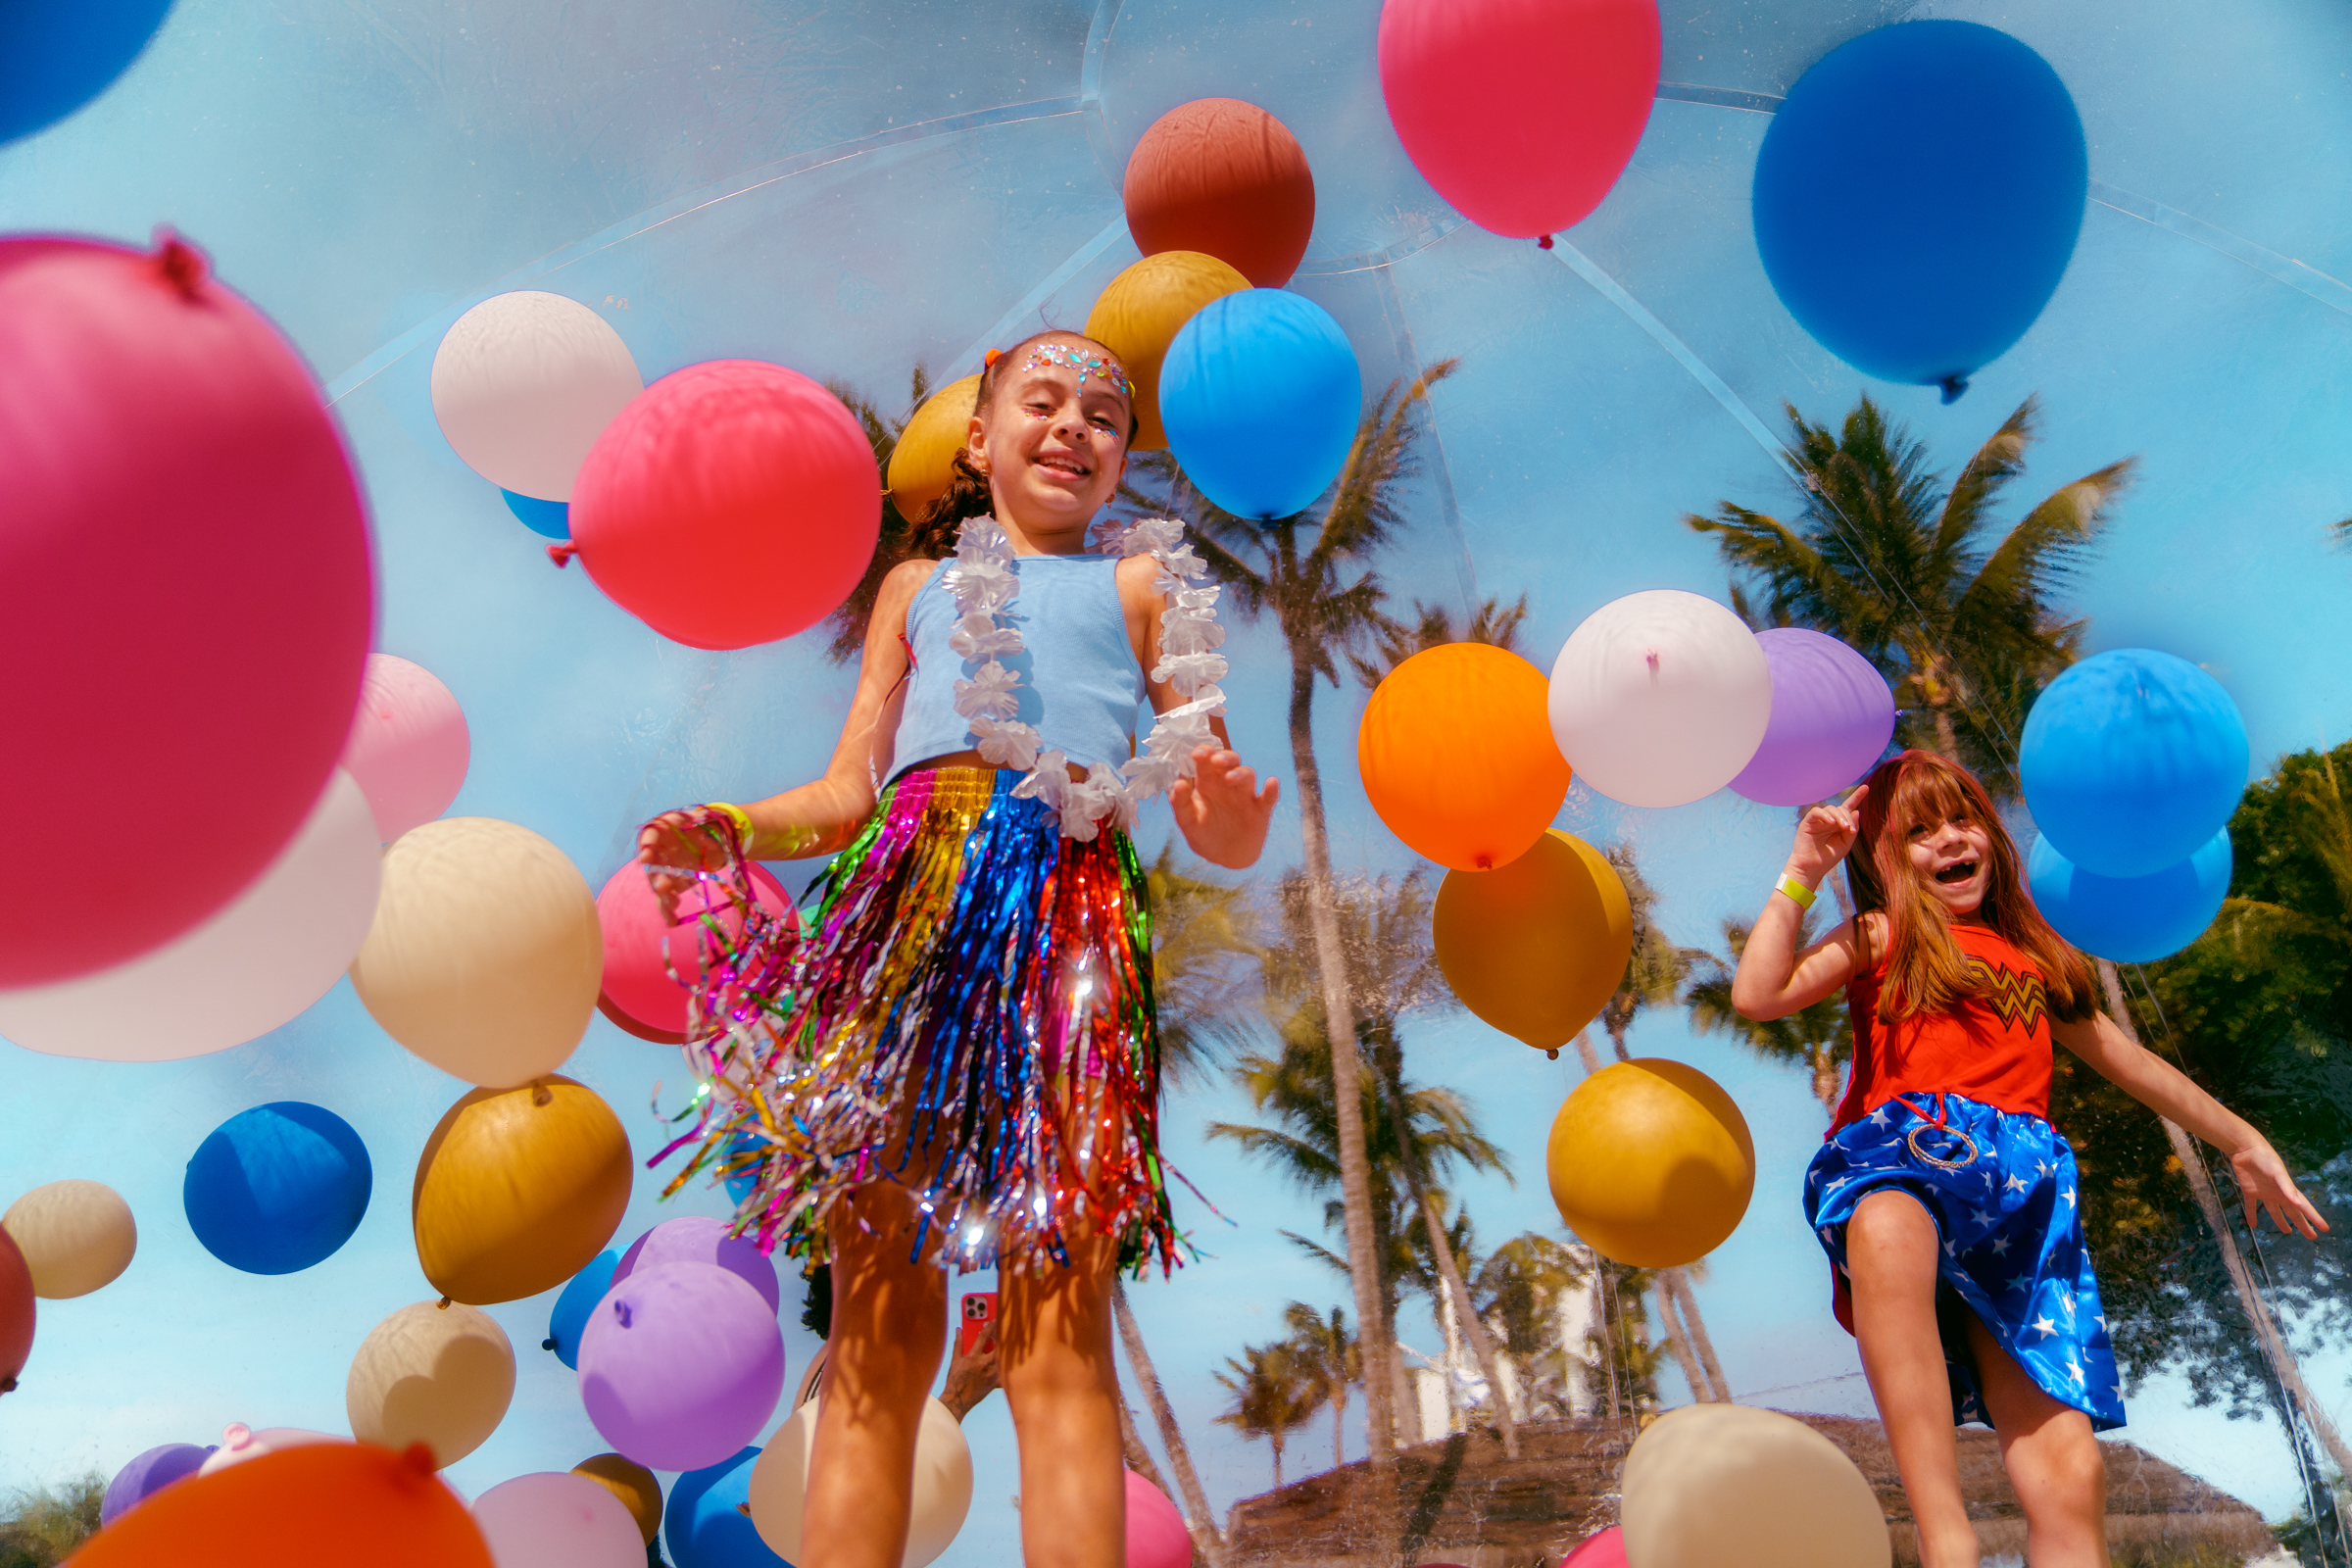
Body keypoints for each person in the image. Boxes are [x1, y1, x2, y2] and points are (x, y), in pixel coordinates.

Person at [636, 329, 1276, 1568]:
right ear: (978, 441)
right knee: (878, 1306)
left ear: (1122, 464)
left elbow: (1208, 788)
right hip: (911, 908)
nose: (1072, 426)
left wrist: (1231, 815)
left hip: (1072, 919)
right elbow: (844, 790)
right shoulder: (914, 593)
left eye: (1104, 415)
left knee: (1060, 1315)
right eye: (1042, 401)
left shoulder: (1148, 589)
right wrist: (735, 826)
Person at [1731, 748, 2325, 1568]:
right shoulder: (1883, 933)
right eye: (1917, 832)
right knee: (1889, 1230)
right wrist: (1800, 873)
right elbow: (1758, 995)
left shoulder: (2038, 960)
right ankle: (1947, 1540)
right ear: (1886, 861)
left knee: (2070, 1467)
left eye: (1962, 819)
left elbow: (2133, 1064)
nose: (1947, 841)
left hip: (2023, 1198)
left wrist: (2245, 1141)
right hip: (1908, 1153)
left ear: (1992, 838)